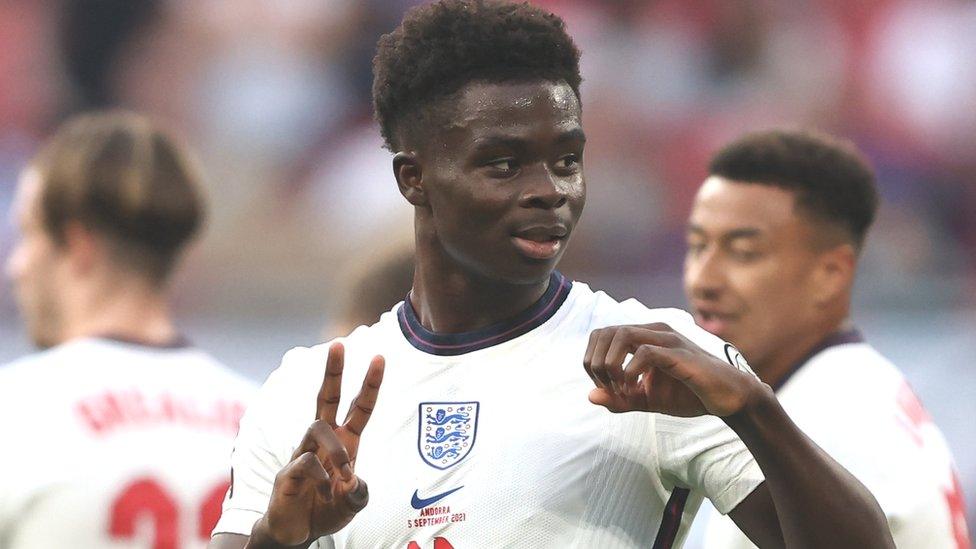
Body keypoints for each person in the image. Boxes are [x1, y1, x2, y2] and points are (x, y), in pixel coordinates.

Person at [210, 2, 893, 548]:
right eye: (504, 164)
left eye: (566, 159)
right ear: (413, 178)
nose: (551, 191)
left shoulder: (654, 364)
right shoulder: (308, 390)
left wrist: (754, 410)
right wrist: (278, 539)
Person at [683, 129, 970, 548]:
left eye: (743, 253)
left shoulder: (830, 425)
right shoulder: (845, 389)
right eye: (697, 246)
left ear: (830, 274)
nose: (703, 281)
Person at [0, 111, 255, 548]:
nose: (15, 266)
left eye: (27, 234)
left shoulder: (16, 410)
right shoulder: (267, 417)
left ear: (78, 244)